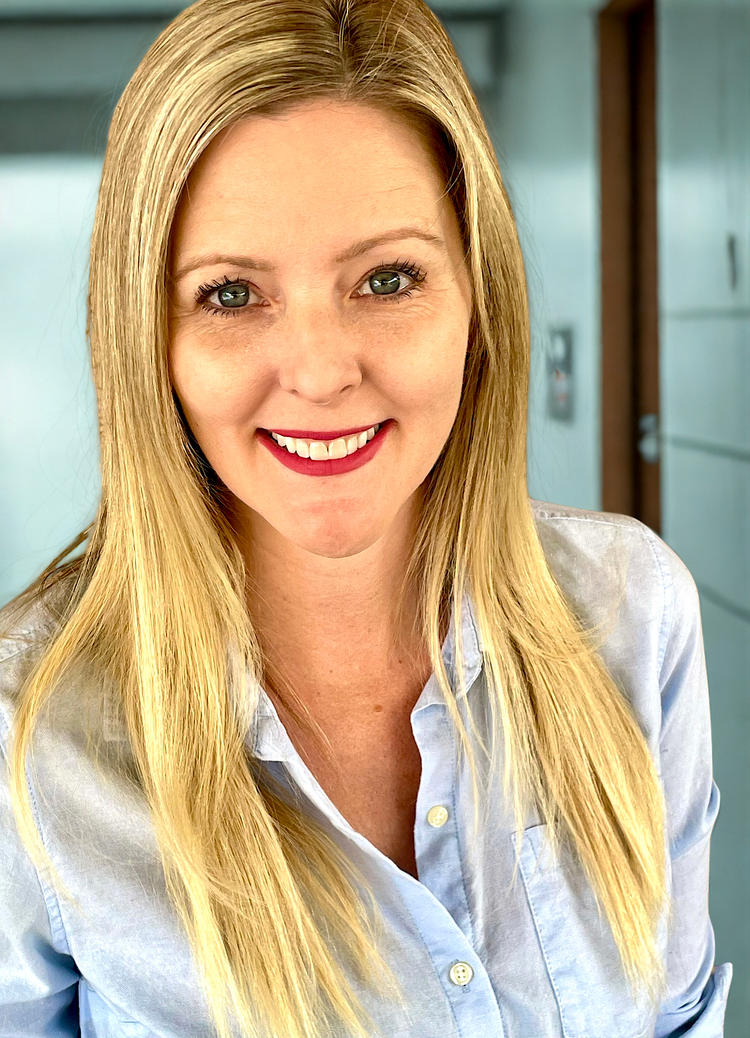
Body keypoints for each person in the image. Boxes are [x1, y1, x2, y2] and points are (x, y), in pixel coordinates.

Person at [0, 0, 733, 1036]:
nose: (321, 371)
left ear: (480, 300)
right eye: (229, 295)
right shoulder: (24, 740)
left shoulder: (631, 613)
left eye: (387, 280)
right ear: (145, 337)